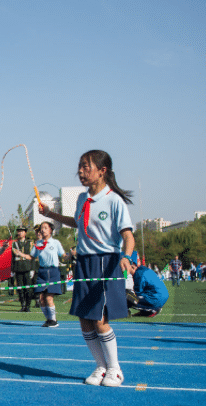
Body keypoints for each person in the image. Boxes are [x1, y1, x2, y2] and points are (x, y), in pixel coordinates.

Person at [39, 149, 135, 387]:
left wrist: (127, 256)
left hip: (105, 262)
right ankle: (100, 367)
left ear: (102, 171)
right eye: (80, 167)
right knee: (84, 319)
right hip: (83, 262)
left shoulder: (114, 200)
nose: (80, 172)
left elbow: (128, 235)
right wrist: (50, 214)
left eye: (86, 167)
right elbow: (77, 222)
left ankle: (115, 369)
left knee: (100, 319)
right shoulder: (83, 198)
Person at [28, 221, 67, 327]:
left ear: (50, 230)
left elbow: (63, 255)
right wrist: (19, 253)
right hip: (42, 271)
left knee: (49, 297)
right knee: (41, 298)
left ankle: (54, 320)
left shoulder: (56, 243)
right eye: (42, 228)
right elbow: (31, 257)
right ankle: (48, 319)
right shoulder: (38, 244)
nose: (42, 230)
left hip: (53, 271)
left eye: (45, 227)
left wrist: (71, 255)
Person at [11, 227, 35, 312]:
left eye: (22, 231)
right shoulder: (14, 244)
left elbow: (32, 257)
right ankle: (23, 305)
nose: (20, 233)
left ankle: (28, 306)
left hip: (27, 267)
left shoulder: (30, 243)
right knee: (20, 289)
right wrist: (12, 270)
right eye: (18, 231)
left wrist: (32, 269)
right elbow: (12, 257)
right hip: (18, 268)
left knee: (28, 288)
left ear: (25, 233)